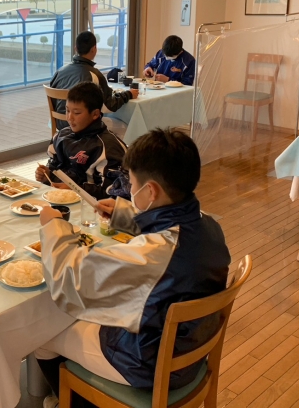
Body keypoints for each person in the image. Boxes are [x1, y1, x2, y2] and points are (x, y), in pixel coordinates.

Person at [35, 128, 230, 408]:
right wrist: (126, 214)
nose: (129, 190)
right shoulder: (209, 224)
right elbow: (171, 230)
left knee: (41, 335)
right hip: (189, 345)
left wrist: (53, 226)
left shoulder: (155, 254)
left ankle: (71, 401)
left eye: (133, 184)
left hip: (148, 361)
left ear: (150, 191)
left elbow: (67, 280)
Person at [35, 82, 127, 200]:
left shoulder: (108, 147)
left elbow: (112, 192)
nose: (69, 117)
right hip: (60, 200)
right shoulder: (61, 136)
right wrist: (47, 175)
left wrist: (75, 189)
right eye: (67, 110)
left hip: (91, 206)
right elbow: (54, 166)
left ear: (95, 114)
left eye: (77, 113)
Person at [50, 31, 138, 130]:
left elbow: (54, 103)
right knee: (125, 126)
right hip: (82, 127)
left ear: (75, 48)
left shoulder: (59, 72)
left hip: (59, 125)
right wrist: (128, 94)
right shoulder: (94, 75)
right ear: (94, 49)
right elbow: (108, 106)